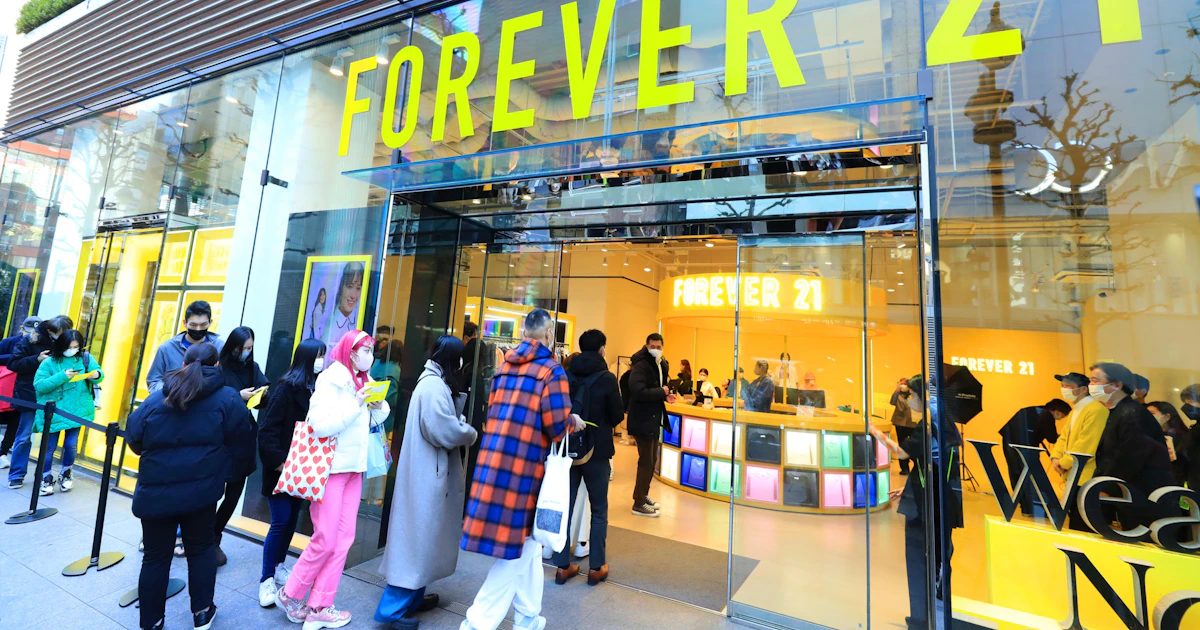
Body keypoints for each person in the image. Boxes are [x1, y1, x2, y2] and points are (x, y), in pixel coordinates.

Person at [458, 309, 582, 630]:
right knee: (520, 549)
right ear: (549, 333)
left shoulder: (504, 367)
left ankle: (528, 617)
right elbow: (556, 426)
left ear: (525, 331)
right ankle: (476, 623)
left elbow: (495, 413)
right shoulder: (551, 371)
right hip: (527, 469)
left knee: (530, 542)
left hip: (496, 462)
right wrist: (573, 421)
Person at [126, 342, 253, 630]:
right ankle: (202, 614)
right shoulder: (228, 399)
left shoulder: (158, 398)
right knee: (201, 550)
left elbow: (134, 437)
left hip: (156, 493)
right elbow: (242, 442)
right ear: (217, 365)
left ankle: (151, 622)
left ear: (183, 365)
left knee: (155, 558)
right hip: (202, 494)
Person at [275, 330, 389, 630]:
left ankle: (320, 606)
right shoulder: (331, 379)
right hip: (330, 468)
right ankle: (290, 593)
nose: (371, 356)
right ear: (351, 352)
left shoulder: (363, 379)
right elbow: (319, 425)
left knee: (343, 539)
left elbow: (372, 419)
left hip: (354, 468)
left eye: (371, 350)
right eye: (367, 350)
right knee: (325, 537)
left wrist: (377, 405)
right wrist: (356, 404)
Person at [376, 336, 478, 629]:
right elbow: (442, 429)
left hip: (426, 472)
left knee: (422, 539)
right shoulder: (433, 386)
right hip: (427, 475)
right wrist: (468, 432)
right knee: (416, 541)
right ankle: (391, 611)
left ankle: (412, 598)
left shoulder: (432, 382)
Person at [870, 409, 962, 630]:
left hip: (926, 507)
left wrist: (874, 431)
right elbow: (936, 468)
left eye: (910, 394)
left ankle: (921, 620)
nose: (909, 400)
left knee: (921, 561)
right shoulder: (946, 424)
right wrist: (908, 488)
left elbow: (901, 453)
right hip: (939, 502)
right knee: (939, 557)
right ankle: (933, 609)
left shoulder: (929, 425)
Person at [256, 339, 325, 608]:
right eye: (318, 356)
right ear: (306, 358)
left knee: (292, 519)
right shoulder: (285, 388)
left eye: (323, 356)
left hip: (303, 468)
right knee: (281, 521)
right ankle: (266, 578)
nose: (321, 361)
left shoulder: (317, 389)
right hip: (282, 468)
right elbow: (267, 430)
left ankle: (279, 565)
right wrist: (279, 462)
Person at [553, 329, 623, 587]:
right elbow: (617, 416)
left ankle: (562, 567)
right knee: (599, 510)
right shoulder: (607, 378)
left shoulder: (564, 373)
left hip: (568, 450)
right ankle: (596, 567)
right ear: (602, 349)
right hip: (598, 451)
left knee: (565, 507)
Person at [1089, 362, 1172, 530]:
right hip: (1129, 493)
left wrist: (1107, 487)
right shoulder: (1119, 411)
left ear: (1117, 385)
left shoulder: (1132, 413)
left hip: (1143, 495)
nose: (1091, 385)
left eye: (1095, 380)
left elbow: (1130, 455)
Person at [213, 326, 268, 566]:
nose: (246, 352)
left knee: (234, 493)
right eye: (242, 348)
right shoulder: (218, 367)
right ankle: (203, 537)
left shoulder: (252, 368)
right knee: (213, 492)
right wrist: (238, 396)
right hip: (220, 438)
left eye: (249, 348)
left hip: (243, 437)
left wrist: (261, 395)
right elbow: (212, 397)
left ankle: (214, 535)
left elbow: (265, 391)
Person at [31, 329, 103, 496]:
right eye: (69, 347)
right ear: (61, 345)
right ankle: (45, 477)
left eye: (76, 347)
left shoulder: (85, 358)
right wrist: (63, 376)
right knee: (49, 447)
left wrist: (96, 375)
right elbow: (40, 386)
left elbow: (99, 374)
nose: (72, 350)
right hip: (53, 411)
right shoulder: (49, 362)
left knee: (71, 444)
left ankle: (66, 473)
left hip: (77, 409)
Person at [7, 315, 72, 490]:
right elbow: (13, 363)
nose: (62, 337)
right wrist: (36, 359)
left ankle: (44, 476)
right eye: (60, 333)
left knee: (51, 439)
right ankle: (16, 475)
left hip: (56, 397)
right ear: (50, 331)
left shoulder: (67, 343)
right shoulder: (30, 340)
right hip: (31, 395)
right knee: (24, 436)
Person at [1049, 372, 1109, 531]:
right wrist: (1055, 458)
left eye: (1068, 386)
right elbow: (1063, 437)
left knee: (1082, 523)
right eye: (1063, 385)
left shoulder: (1096, 410)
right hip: (1074, 473)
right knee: (1074, 521)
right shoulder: (1076, 410)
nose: (1064, 389)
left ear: (1083, 389)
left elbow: (1087, 444)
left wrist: (1063, 463)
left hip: (1086, 475)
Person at [626, 332, 673, 518]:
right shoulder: (641, 365)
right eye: (652, 347)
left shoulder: (661, 364)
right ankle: (638, 502)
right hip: (642, 419)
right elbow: (638, 391)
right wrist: (661, 391)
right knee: (646, 461)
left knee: (651, 460)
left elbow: (658, 388)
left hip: (653, 418)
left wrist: (665, 395)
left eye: (658, 347)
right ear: (647, 346)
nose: (656, 350)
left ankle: (643, 495)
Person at [998, 399, 1066, 516]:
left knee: (1016, 474)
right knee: (1031, 476)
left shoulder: (1032, 409)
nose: (1062, 418)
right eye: (1063, 415)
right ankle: (1035, 507)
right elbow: (1052, 438)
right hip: (1026, 447)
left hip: (1009, 442)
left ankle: (1025, 506)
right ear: (1057, 411)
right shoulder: (1047, 416)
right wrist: (1062, 437)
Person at [146, 300, 223, 393]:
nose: (198, 329)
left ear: (210, 323)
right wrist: (170, 393)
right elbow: (154, 380)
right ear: (185, 323)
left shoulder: (220, 346)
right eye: (193, 325)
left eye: (203, 325)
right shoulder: (167, 348)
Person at [0, 317, 39, 469]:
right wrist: (16, 358)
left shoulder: (38, 345)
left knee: (14, 423)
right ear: (22, 329)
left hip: (22, 391)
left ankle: (3, 452)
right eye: (28, 331)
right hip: (4, 388)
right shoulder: (8, 342)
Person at [322, 262, 365, 353]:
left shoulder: (357, 321)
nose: (353, 296)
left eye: (358, 288)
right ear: (341, 287)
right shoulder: (331, 323)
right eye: (349, 286)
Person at [1147, 401, 1190, 486]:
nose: (1147, 417)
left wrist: (1174, 454)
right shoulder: (1150, 436)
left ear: (1167, 417)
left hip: (1176, 483)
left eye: (1151, 413)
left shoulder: (1183, 437)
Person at [889, 378, 917, 475]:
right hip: (900, 424)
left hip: (913, 424)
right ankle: (904, 468)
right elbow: (892, 402)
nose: (902, 386)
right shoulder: (898, 395)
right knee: (902, 445)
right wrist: (896, 391)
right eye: (901, 384)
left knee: (914, 445)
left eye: (904, 384)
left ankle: (916, 465)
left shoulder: (913, 394)